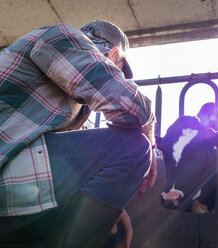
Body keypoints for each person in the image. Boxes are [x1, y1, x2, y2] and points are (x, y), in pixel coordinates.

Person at [0, 21, 157, 247]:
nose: (116, 75)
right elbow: (130, 106)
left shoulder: (62, 104)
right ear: (113, 55)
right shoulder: (60, 35)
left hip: (13, 183)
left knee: (104, 222)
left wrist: (109, 208)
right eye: (118, 70)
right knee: (134, 148)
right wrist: (150, 139)